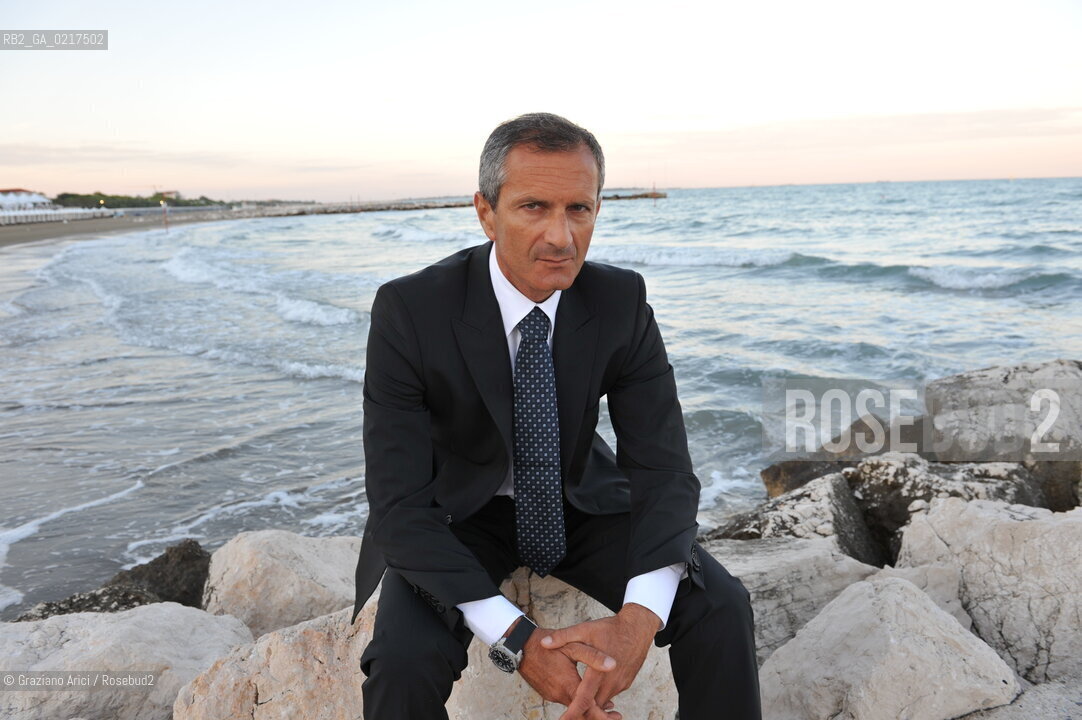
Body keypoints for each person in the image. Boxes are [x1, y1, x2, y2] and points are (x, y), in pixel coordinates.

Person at [352, 112, 761, 720]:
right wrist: (518, 640)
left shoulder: (620, 302)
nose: (561, 236)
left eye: (580, 209)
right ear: (485, 212)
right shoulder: (410, 310)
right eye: (533, 207)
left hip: (578, 500)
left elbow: (665, 470)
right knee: (402, 661)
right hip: (452, 514)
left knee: (722, 607)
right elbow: (398, 505)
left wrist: (637, 623)